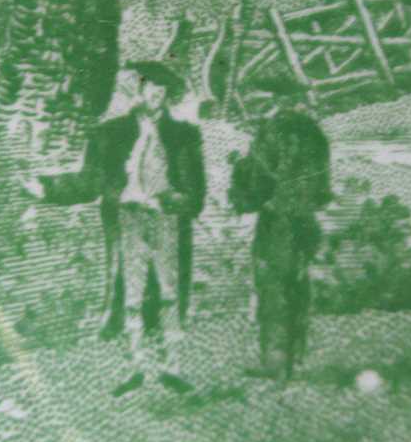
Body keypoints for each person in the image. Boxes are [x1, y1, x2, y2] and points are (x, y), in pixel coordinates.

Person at [21, 61, 205, 397]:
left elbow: (197, 192)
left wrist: (176, 200)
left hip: (166, 219)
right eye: (151, 87)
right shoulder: (110, 134)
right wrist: (46, 188)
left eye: (163, 91)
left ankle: (172, 367)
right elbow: (89, 182)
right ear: (138, 90)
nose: (157, 95)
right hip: (127, 217)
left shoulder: (184, 136)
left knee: (169, 294)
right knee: (131, 295)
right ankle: (135, 366)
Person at [228, 75, 333, 380]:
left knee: (273, 289)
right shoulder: (315, 134)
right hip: (306, 222)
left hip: (277, 223)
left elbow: (259, 180)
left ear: (277, 101)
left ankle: (275, 362)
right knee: (298, 288)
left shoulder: (272, 131)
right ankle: (296, 357)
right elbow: (322, 188)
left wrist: (239, 180)